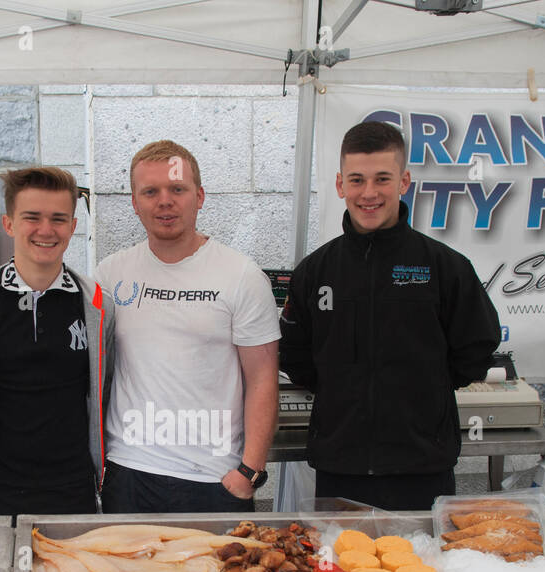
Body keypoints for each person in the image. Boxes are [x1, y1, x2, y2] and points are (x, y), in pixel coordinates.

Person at [280, 121, 501, 511]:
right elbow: (297, 357)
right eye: (357, 180)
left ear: (404, 181)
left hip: (422, 469)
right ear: (339, 184)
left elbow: (475, 351)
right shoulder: (315, 271)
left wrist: (422, 391)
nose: (369, 193)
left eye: (382, 179)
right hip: (339, 467)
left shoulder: (445, 267)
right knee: (342, 571)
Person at [96, 140, 280, 514]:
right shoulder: (109, 274)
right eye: (151, 191)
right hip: (129, 471)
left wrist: (250, 472)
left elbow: (263, 378)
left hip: (213, 478)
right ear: (135, 202)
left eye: (177, 189)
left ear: (199, 196)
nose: (165, 201)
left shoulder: (241, 275)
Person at [0, 166, 114, 518]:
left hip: (74, 492)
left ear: (73, 227)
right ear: (9, 223)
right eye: (33, 217)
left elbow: (103, 396)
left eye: (59, 219)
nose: (46, 230)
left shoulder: (97, 305)